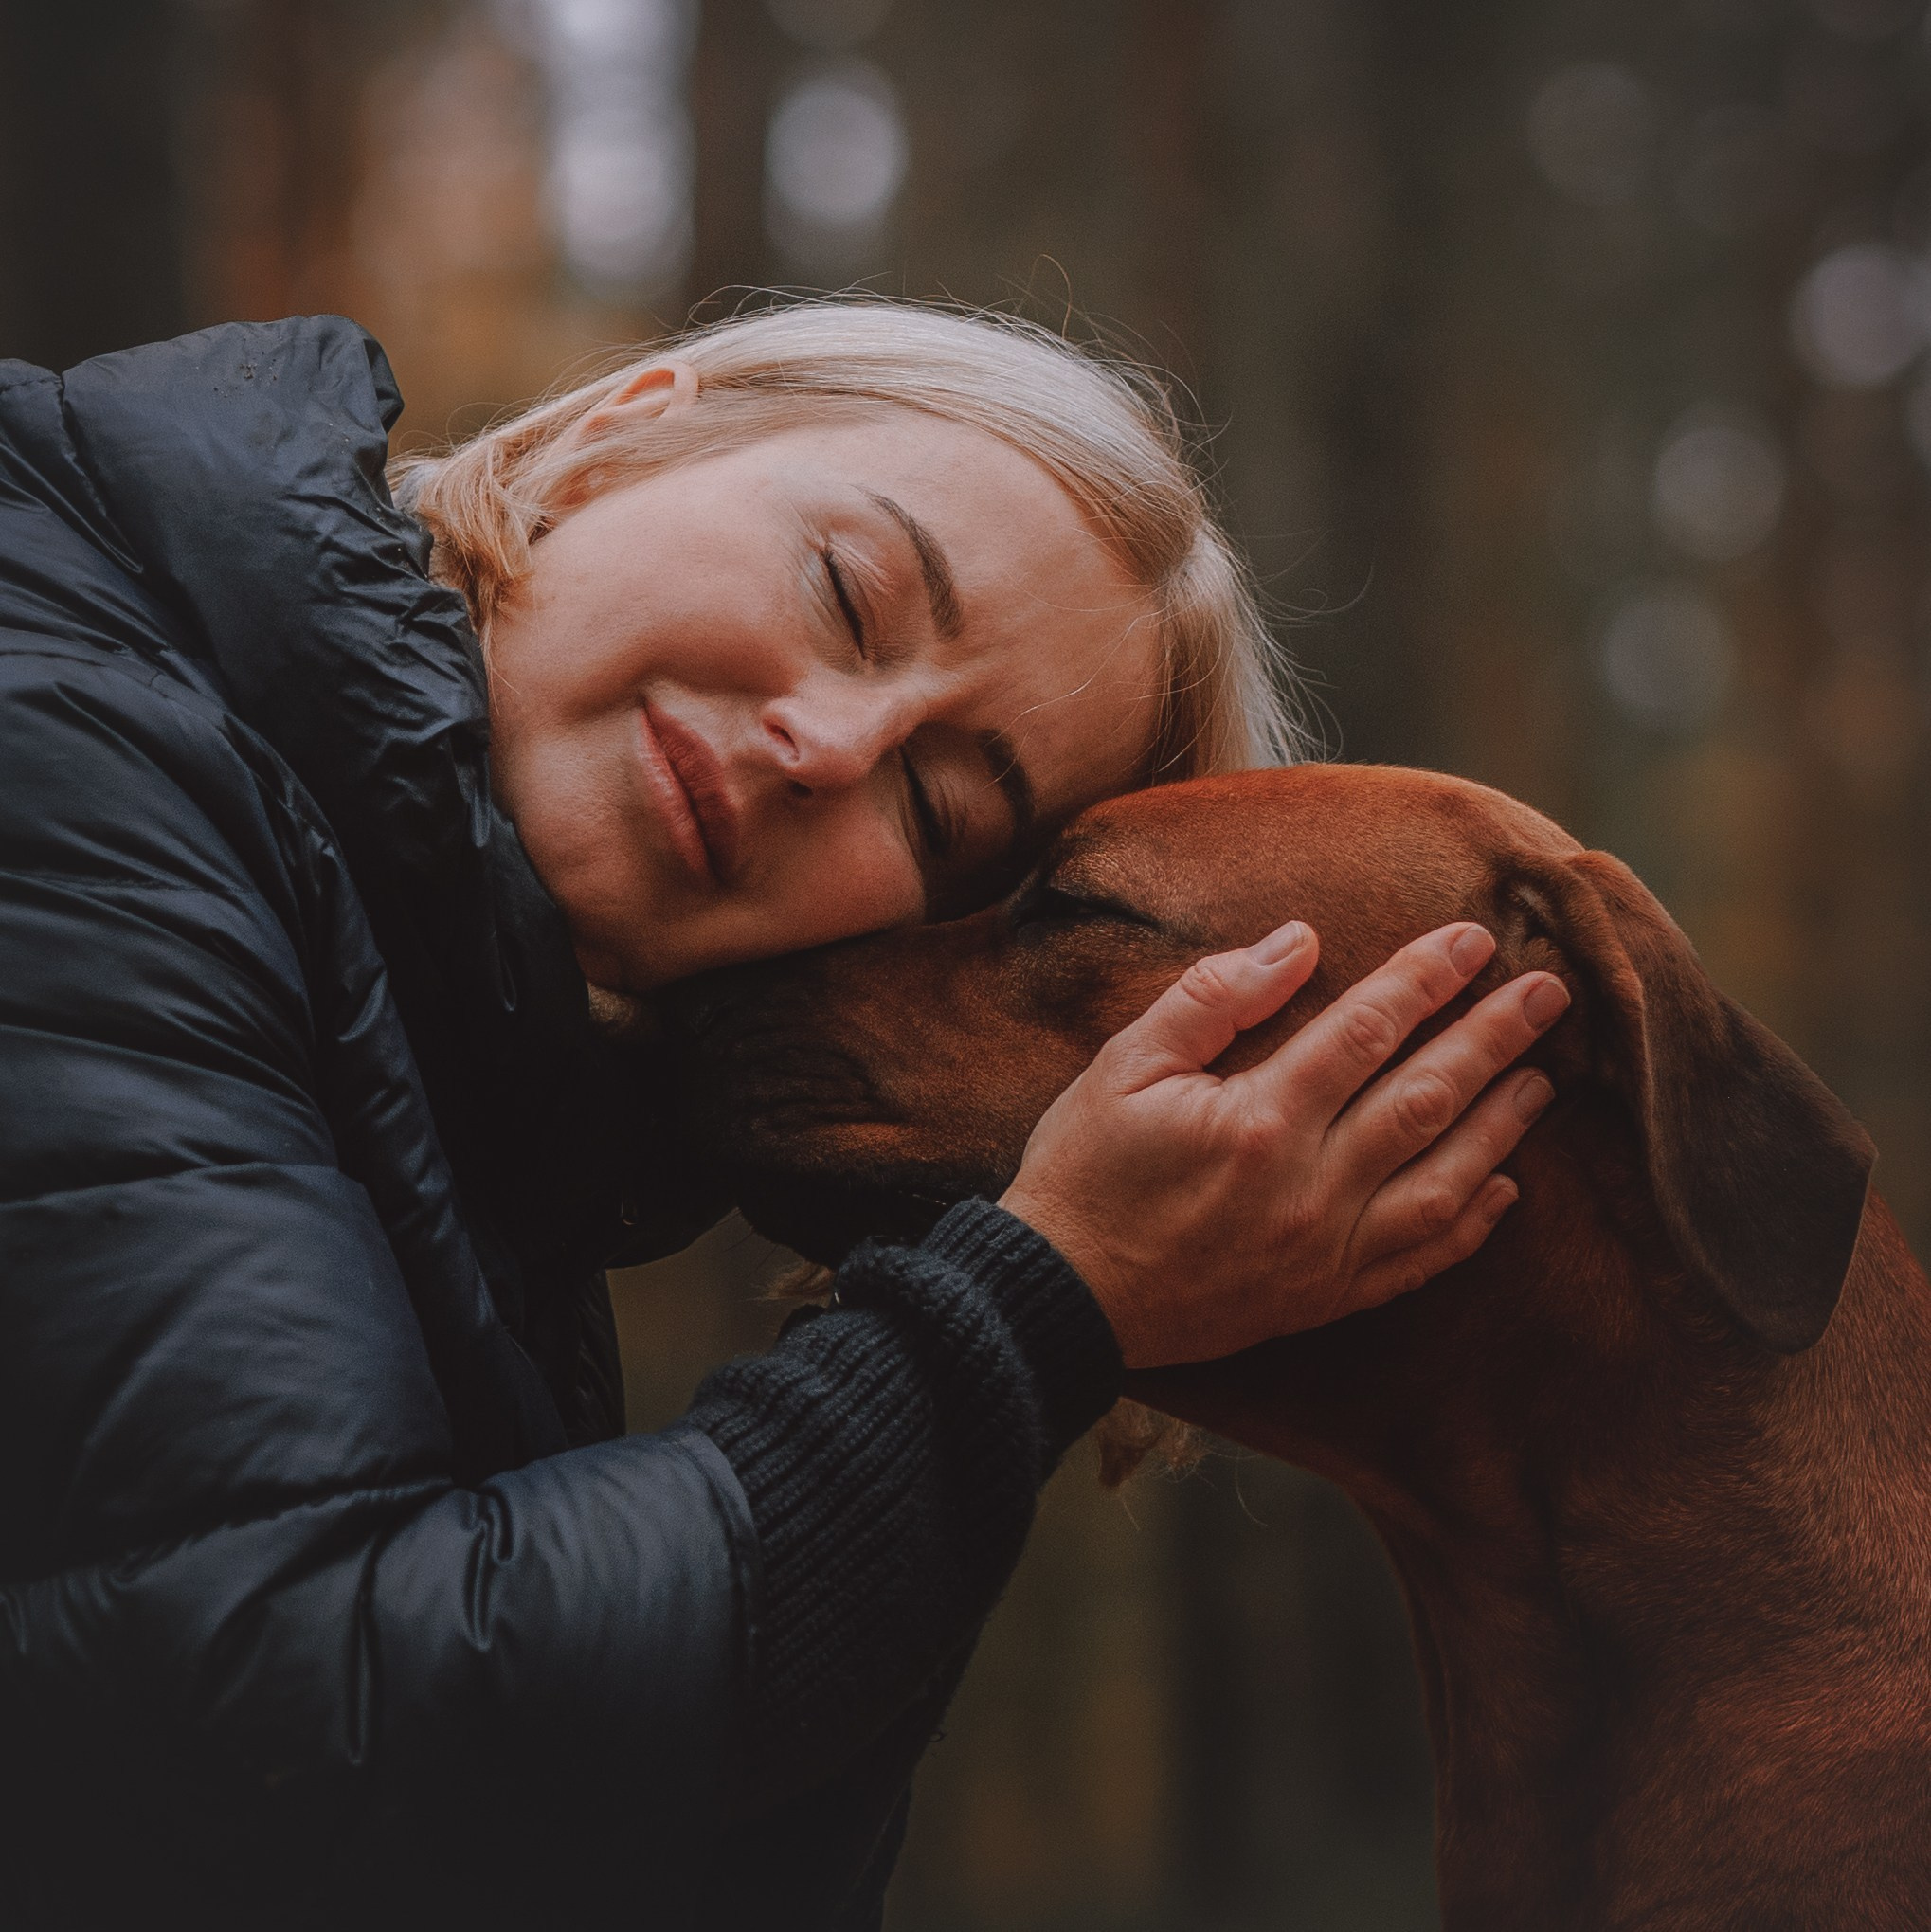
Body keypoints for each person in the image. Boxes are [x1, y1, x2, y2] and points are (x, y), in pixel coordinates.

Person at [0, 304, 1567, 1928]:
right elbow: (271, 1738)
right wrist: (1041, 1300)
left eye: (936, 806)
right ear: (619, 437)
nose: (828, 746)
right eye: (848, 593)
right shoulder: (72, 728)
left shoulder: (478, 1106)